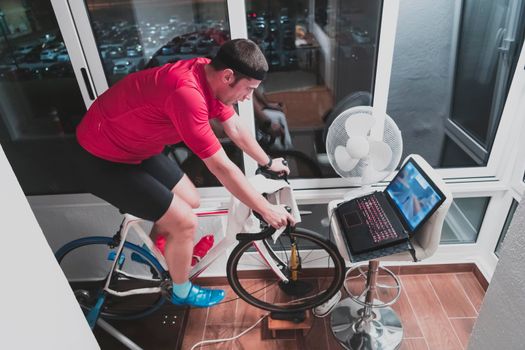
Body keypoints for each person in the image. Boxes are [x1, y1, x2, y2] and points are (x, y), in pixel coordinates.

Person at [74, 39, 296, 308]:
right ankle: (181, 291)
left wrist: (267, 161)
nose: (249, 97)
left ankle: (155, 254)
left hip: (136, 146)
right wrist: (265, 210)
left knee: (191, 199)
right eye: (248, 89)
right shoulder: (186, 94)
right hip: (102, 158)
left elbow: (234, 127)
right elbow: (221, 167)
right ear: (228, 77)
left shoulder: (207, 73)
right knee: (185, 222)